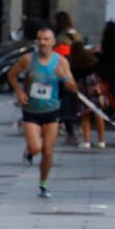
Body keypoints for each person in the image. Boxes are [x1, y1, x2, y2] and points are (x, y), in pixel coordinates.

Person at [9, 25, 77, 199]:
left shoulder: (61, 61)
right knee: (36, 147)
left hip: (51, 111)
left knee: (47, 151)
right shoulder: (28, 59)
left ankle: (43, 183)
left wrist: (63, 77)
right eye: (40, 39)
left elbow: (74, 88)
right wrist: (19, 91)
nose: (42, 43)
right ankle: (29, 151)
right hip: (31, 110)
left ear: (53, 42)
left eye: (46, 39)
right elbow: (12, 74)